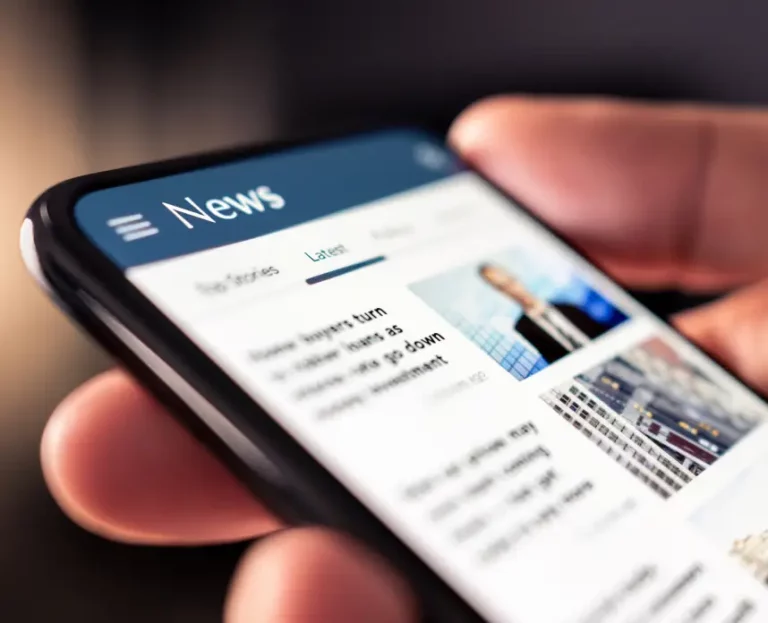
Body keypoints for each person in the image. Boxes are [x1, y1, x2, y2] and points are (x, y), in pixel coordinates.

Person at [42, 98, 768, 621]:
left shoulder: (585, 319)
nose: (513, 283)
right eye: (502, 281)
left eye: (511, 276)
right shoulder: (528, 338)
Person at [479, 263, 610, 362]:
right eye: (503, 287)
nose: (513, 290)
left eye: (510, 281)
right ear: (501, 292)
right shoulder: (522, 328)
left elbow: (603, 333)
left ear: (517, 278)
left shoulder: (568, 306)